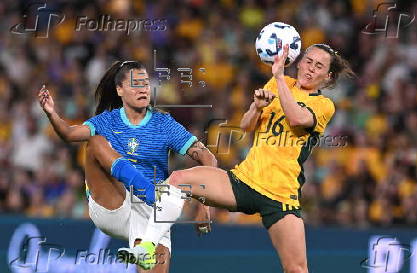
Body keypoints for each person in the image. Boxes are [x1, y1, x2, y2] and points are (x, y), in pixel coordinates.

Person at [126, 44, 355, 273]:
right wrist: (256, 107)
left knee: (296, 269)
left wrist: (279, 77)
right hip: (243, 181)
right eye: (308, 61)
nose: (310, 68)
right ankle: (147, 245)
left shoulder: (324, 105)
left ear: (328, 77)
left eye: (319, 66)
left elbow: (295, 118)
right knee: (177, 179)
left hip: (280, 194)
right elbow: (246, 126)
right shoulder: (278, 83)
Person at [37, 60, 216, 272]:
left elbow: (208, 159)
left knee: (171, 194)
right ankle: (152, 195)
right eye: (136, 84)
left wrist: (206, 206)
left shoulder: (164, 124)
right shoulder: (107, 121)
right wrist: (51, 112)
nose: (143, 89)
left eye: (146, 84)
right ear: (119, 90)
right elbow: (68, 133)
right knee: (94, 142)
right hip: (113, 204)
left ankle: (146, 242)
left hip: (150, 212)